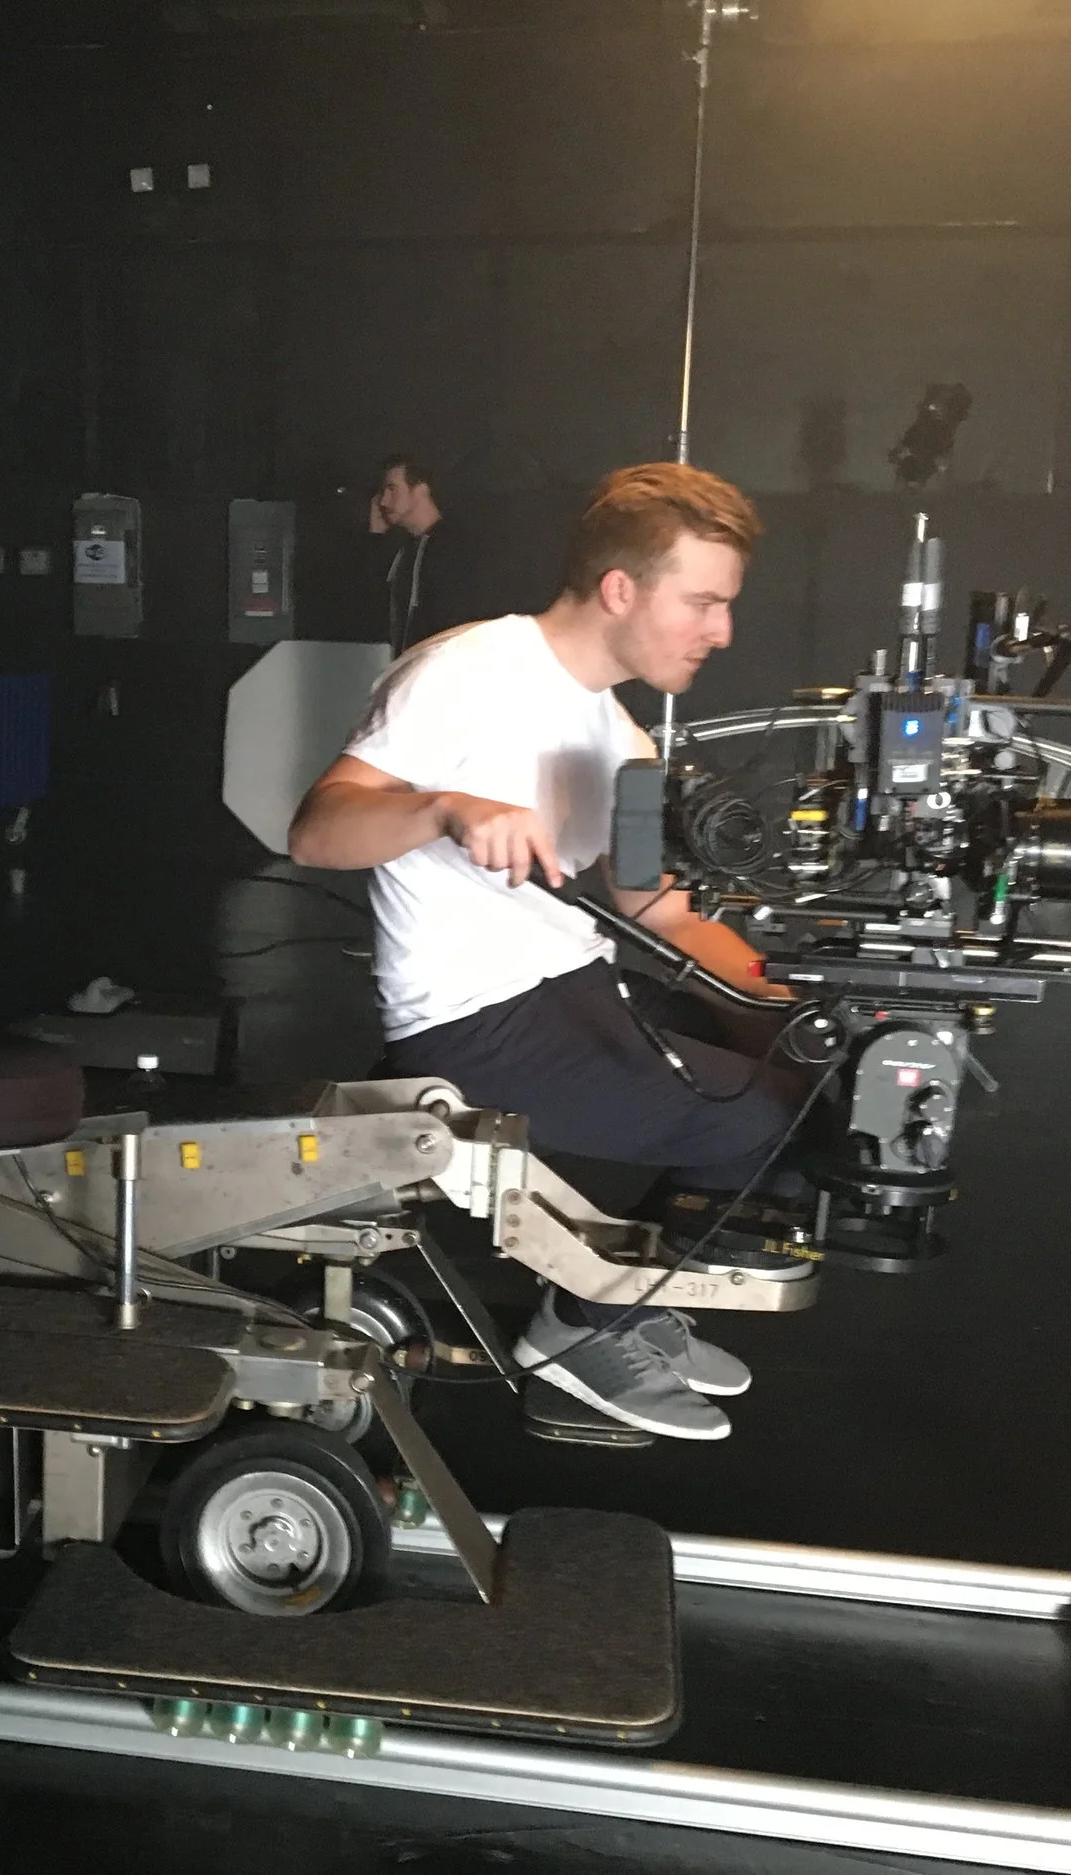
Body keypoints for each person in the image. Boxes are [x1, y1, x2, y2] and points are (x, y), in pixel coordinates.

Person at [292, 463, 803, 1443]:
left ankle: (633, 1299)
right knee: (764, 1121)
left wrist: (791, 1001)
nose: (720, 631)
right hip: (474, 1022)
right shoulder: (465, 670)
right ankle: (581, 1329)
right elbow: (317, 831)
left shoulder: (624, 739)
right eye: (701, 602)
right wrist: (443, 807)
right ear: (622, 588)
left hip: (572, 984)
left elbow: (657, 907)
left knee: (810, 1076)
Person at [369, 454, 477, 654]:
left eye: (392, 489)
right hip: (409, 670)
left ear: (420, 491)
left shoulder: (455, 546)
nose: (383, 501)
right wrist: (377, 539)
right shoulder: (404, 551)